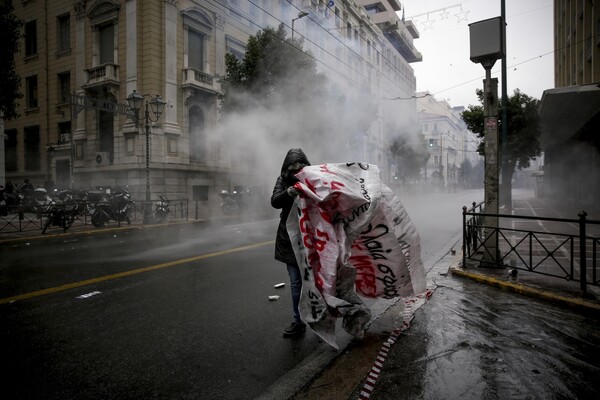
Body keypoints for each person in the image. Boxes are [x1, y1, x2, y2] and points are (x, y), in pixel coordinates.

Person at [271, 148, 310, 337]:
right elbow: (275, 201)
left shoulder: (312, 179)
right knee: (296, 284)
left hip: (312, 241)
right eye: (293, 169)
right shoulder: (283, 181)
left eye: (300, 168)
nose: (297, 172)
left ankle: (320, 320)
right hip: (290, 239)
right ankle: (298, 321)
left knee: (316, 284)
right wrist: (289, 192)